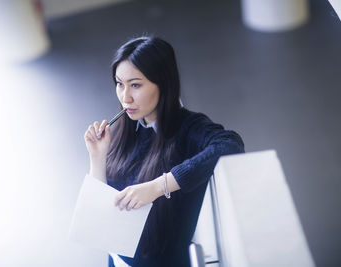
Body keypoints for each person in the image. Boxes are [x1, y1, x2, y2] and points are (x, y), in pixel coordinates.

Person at [84, 36, 244, 267]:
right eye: (120, 83)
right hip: (116, 258)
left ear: (164, 84)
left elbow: (230, 144)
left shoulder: (188, 128)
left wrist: (159, 186)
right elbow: (104, 209)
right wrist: (97, 157)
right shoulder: (127, 124)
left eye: (135, 85)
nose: (125, 96)